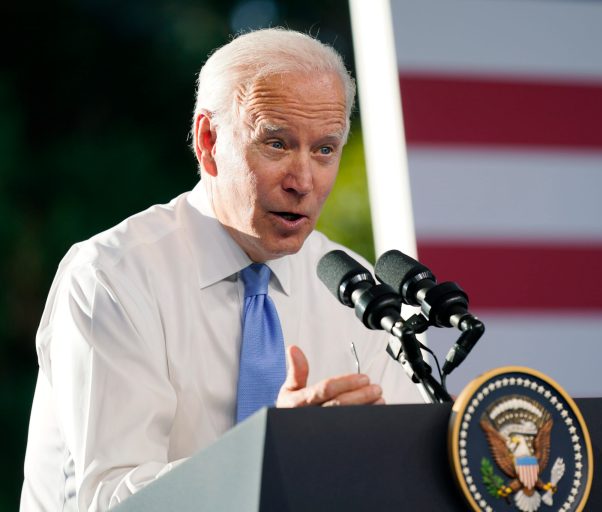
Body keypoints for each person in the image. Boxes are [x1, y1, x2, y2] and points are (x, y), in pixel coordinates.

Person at [21, 28, 422, 511]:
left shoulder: (351, 288)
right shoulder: (112, 277)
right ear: (208, 141)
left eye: (324, 150)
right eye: (277, 143)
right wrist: (270, 456)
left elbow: (408, 471)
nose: (303, 181)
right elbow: (110, 499)